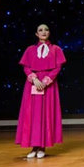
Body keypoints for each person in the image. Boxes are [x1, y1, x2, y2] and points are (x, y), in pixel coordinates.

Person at [16, 23, 65, 158]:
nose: (43, 32)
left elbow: (57, 68)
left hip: (48, 85)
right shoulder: (30, 50)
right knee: (32, 115)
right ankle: (34, 147)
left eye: (46, 30)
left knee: (46, 114)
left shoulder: (56, 49)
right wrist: (34, 79)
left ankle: (42, 146)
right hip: (32, 84)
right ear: (36, 34)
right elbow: (26, 67)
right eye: (40, 30)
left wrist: (45, 81)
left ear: (49, 33)